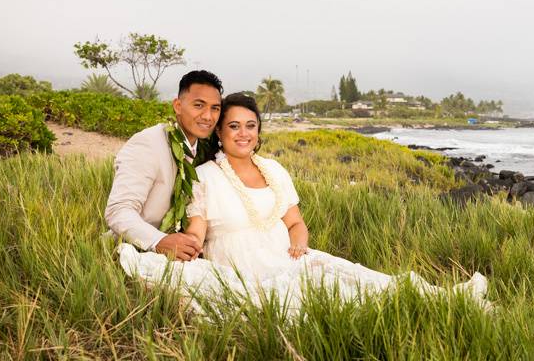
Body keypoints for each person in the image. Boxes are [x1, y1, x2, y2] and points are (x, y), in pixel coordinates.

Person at [118, 92, 488, 316]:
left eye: (250, 125)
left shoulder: (274, 169)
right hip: (246, 265)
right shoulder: (206, 177)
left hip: (289, 254)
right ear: (220, 132)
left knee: (359, 278)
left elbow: (295, 221)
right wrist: (185, 245)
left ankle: (440, 299)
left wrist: (299, 242)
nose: (243, 134)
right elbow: (197, 229)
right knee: (320, 302)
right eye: (233, 126)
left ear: (259, 131)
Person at [105, 70, 223, 260]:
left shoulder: (204, 148)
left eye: (215, 108)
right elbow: (118, 211)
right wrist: (159, 241)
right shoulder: (147, 143)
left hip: (184, 250)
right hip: (135, 249)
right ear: (177, 105)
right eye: (199, 105)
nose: (208, 116)